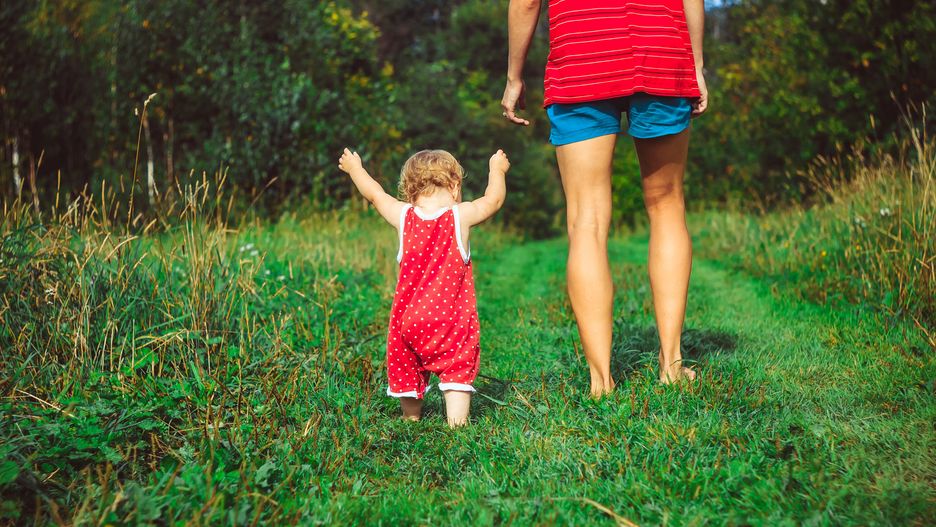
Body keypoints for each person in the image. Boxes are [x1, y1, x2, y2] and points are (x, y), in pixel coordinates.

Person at [501, 0, 709, 395]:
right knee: (666, 204)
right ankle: (671, 364)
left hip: (582, 54)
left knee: (586, 220)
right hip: (660, 50)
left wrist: (514, 76)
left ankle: (601, 381)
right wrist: (696, 64)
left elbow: (526, 3)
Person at [338, 147, 510, 426]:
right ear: (455, 187)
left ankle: (410, 417)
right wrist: (497, 169)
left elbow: (375, 195)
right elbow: (494, 200)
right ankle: (457, 422)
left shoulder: (403, 216)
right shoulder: (460, 216)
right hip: (450, 322)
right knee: (456, 365)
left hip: (409, 322)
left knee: (406, 365)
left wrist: (355, 169)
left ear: (408, 191)